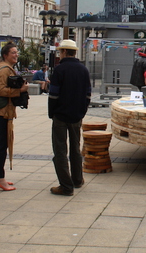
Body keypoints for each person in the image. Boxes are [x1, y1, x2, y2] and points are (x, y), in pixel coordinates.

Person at [0, 43, 29, 192]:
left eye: (17, 52)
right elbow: (2, 91)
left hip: (3, 111)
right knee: (2, 144)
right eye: (13, 52)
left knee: (1, 143)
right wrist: (20, 90)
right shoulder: (3, 70)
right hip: (1, 111)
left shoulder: (6, 68)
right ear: (6, 55)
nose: (16, 55)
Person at [48, 39, 91, 196]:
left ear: (65, 52)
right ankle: (77, 179)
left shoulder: (59, 70)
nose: (59, 54)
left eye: (60, 52)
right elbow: (88, 95)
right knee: (75, 148)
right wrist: (82, 112)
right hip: (76, 116)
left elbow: (53, 95)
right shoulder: (83, 70)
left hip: (60, 115)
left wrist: (52, 113)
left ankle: (66, 186)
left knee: (60, 150)